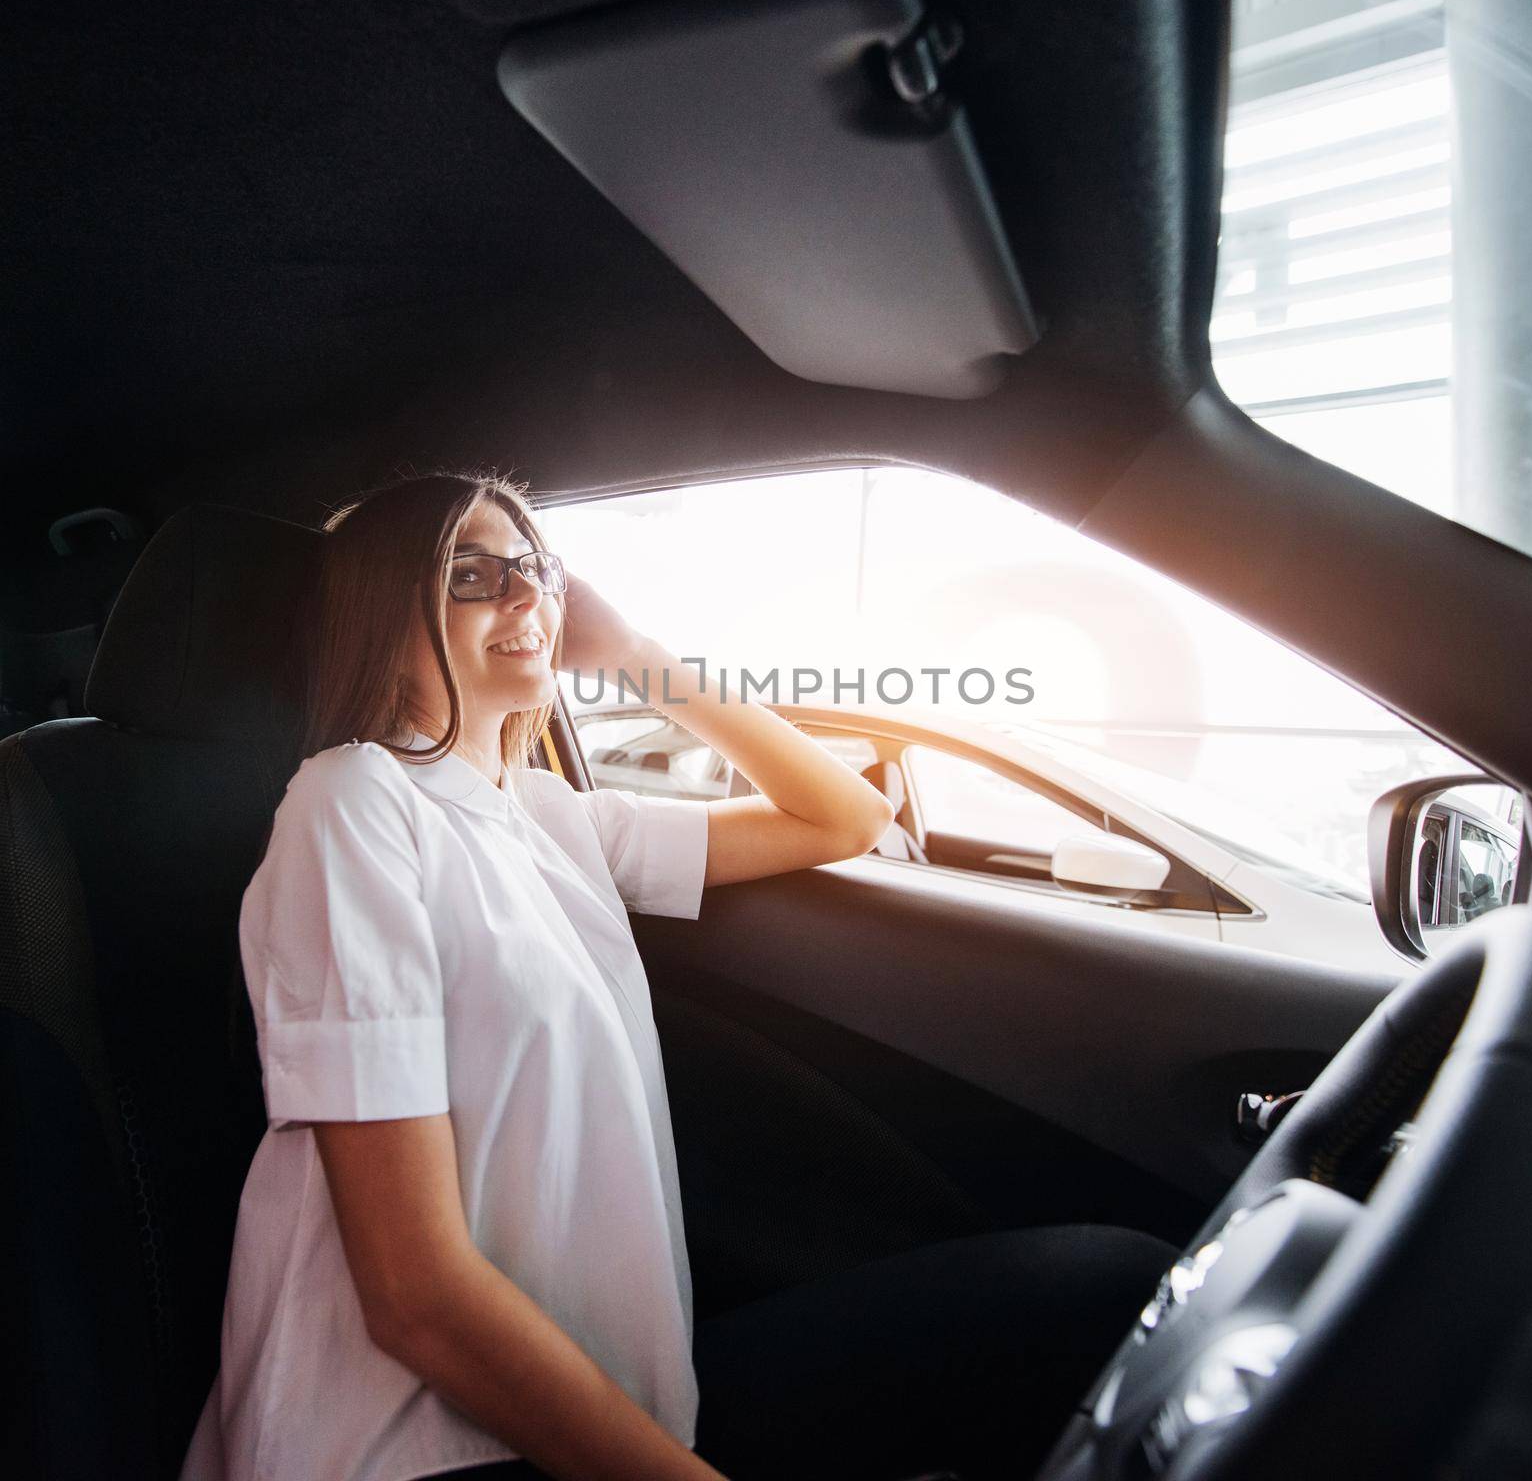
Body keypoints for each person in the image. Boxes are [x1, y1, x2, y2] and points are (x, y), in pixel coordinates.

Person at [180, 468, 1173, 1481]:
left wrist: (638, 655)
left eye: (536, 569)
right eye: (470, 574)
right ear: (380, 609)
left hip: (609, 1402)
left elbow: (842, 816)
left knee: (1107, 1289)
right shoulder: (353, 799)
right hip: (407, 1443)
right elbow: (411, 1291)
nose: (524, 596)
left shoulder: (551, 814)